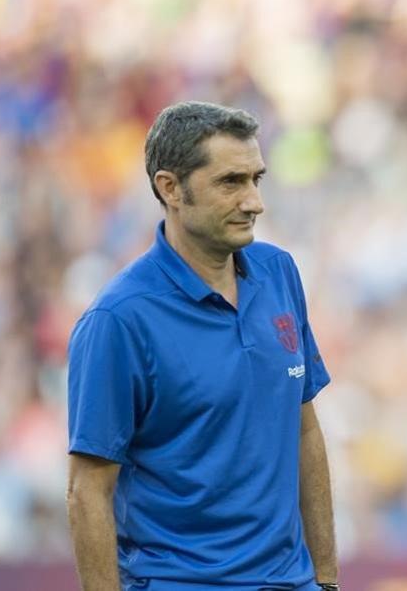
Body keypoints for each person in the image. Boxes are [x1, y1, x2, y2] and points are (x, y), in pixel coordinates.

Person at [65, 102, 339, 591]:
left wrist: (327, 580)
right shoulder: (119, 320)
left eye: (257, 179)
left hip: (291, 582)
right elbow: (88, 489)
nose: (254, 201)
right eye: (231, 182)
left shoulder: (279, 273)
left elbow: (304, 430)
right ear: (170, 188)